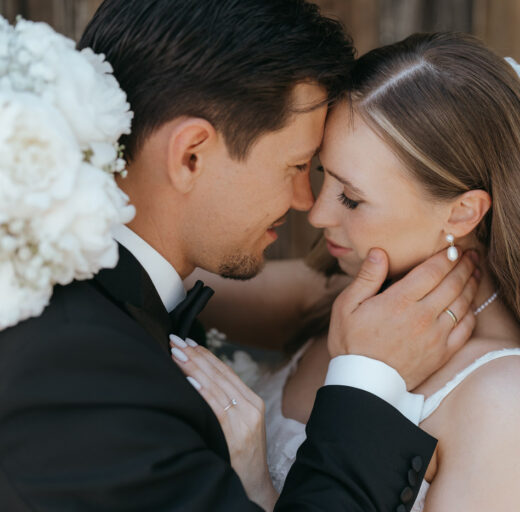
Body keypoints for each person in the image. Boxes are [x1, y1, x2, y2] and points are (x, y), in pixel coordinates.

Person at [0, 3, 480, 511]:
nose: (306, 202)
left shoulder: (93, 298)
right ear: (190, 155)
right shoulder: (81, 371)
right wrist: (370, 381)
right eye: (297, 166)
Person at [176, 32, 520, 512]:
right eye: (322, 175)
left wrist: (254, 486)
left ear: (463, 213)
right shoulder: (334, 297)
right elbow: (172, 278)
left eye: (352, 198)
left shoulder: (505, 401)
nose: (317, 213)